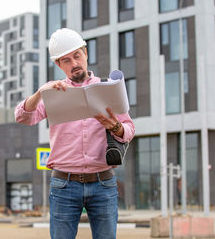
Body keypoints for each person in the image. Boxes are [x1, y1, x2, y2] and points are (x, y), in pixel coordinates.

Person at [15, 28, 135, 239]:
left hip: (103, 183)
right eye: (66, 60)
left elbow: (129, 131)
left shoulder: (108, 88)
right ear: (58, 65)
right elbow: (23, 116)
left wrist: (115, 126)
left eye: (77, 56)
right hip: (64, 185)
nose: (74, 64)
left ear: (86, 53)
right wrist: (40, 93)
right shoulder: (53, 93)